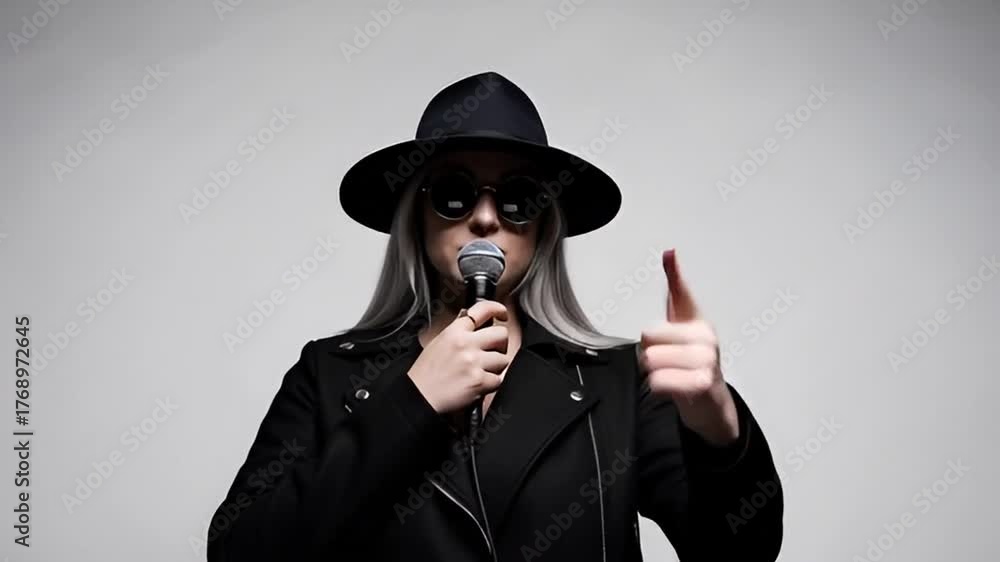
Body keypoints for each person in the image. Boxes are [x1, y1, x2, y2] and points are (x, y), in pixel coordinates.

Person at [206, 71, 784, 561]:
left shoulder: (619, 384)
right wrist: (410, 406)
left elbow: (739, 551)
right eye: (454, 194)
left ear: (543, 226)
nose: (485, 219)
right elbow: (240, 550)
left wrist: (717, 427)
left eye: (517, 198)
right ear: (416, 216)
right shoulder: (329, 374)